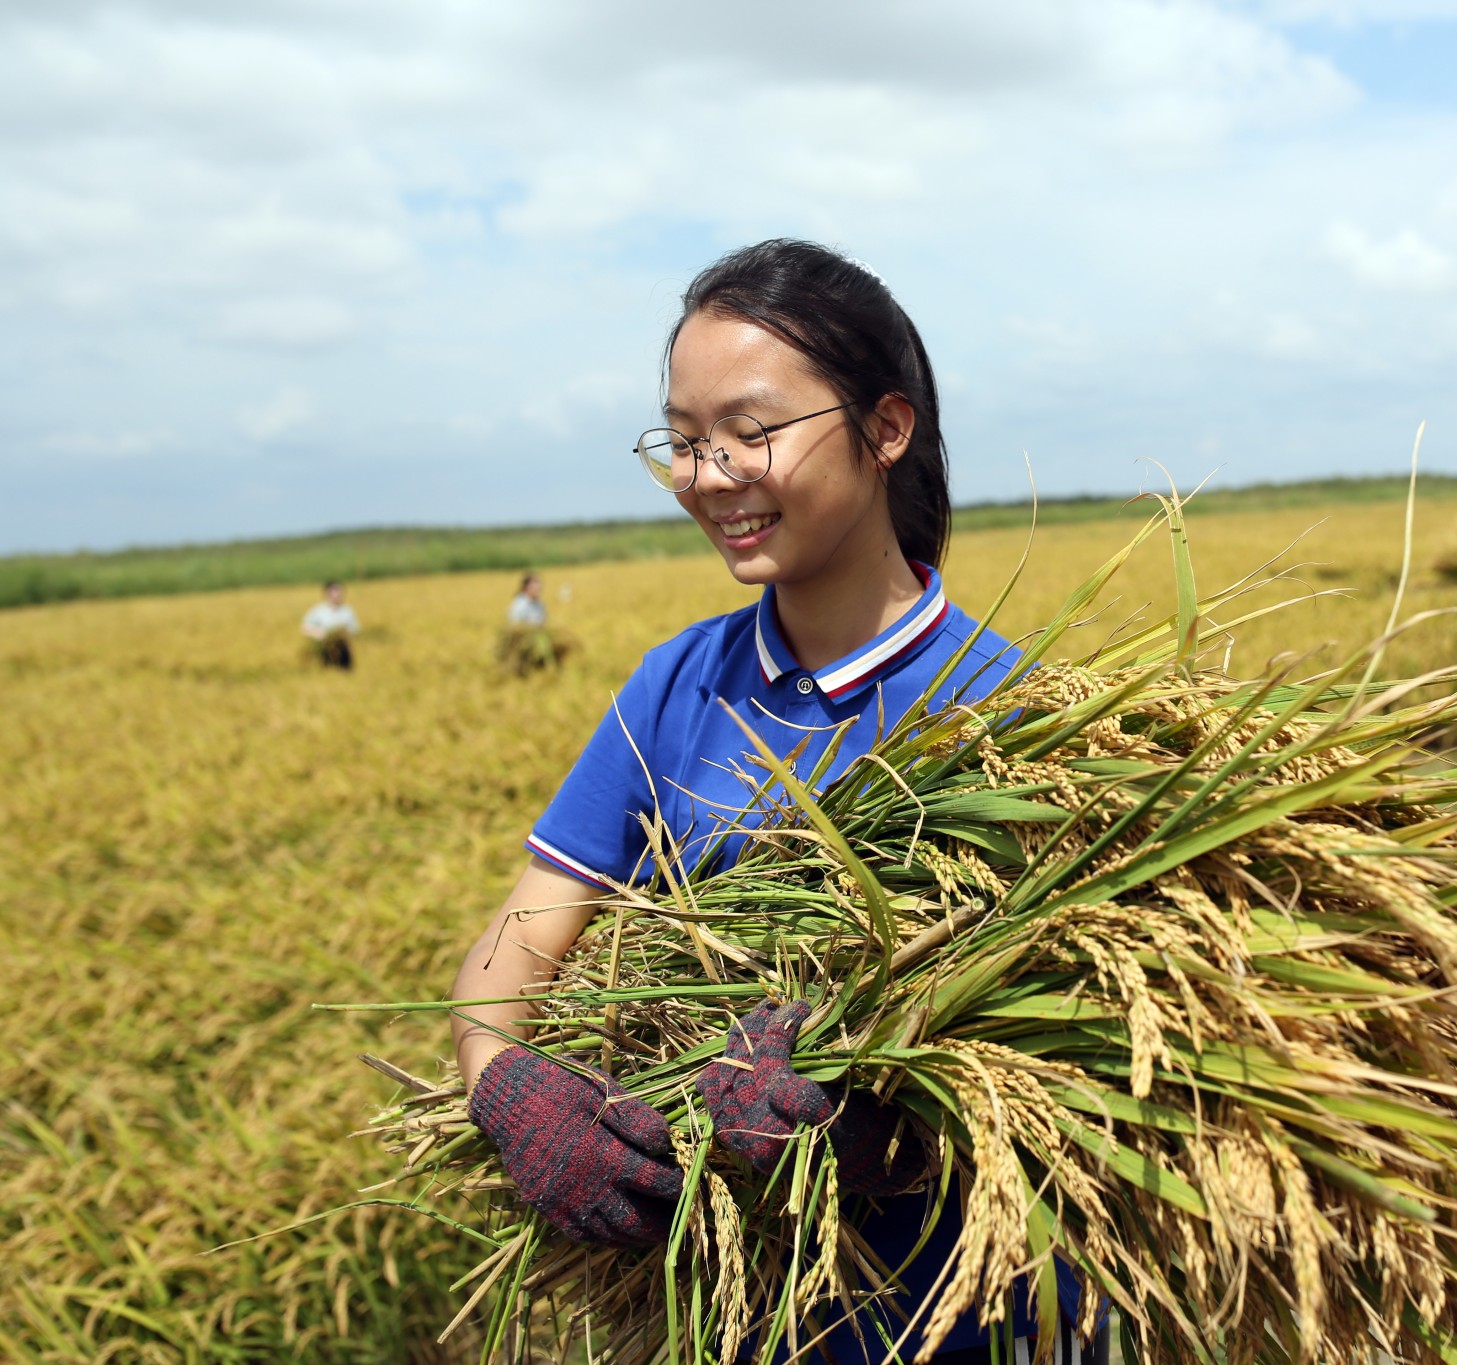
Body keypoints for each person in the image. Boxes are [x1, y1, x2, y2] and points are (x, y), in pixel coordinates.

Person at [447, 241, 1097, 1362]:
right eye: (684, 440)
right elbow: (515, 944)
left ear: (884, 429)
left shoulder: (1010, 713)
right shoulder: (676, 686)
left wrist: (889, 1121)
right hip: (743, 1321)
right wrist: (505, 1081)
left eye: (750, 431)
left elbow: (1081, 1066)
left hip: (978, 1322)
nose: (709, 476)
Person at [300, 580, 359, 670]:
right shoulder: (318, 611)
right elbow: (304, 628)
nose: (337, 595)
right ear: (326, 594)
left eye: (339, 592)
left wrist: (344, 634)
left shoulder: (347, 611)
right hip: (324, 650)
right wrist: (318, 633)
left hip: (343, 651)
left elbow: (355, 630)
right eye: (334, 592)